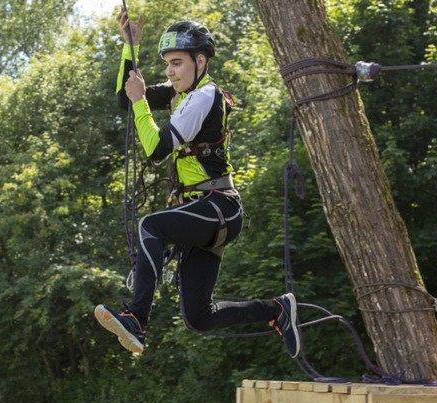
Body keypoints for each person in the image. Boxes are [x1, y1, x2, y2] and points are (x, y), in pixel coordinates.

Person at [94, 9, 301, 359]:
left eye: (177, 63)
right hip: (200, 212)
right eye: (167, 65)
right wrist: (130, 48)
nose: (170, 72)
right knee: (199, 318)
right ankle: (276, 310)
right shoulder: (181, 94)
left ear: (199, 61)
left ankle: (136, 319)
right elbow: (124, 102)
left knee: (151, 226)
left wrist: (141, 101)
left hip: (219, 206)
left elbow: (158, 149)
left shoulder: (204, 96)